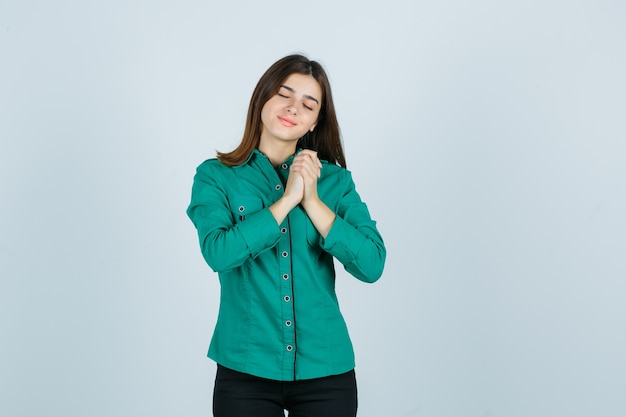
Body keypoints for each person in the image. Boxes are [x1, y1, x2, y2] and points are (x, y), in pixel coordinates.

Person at [186, 53, 386, 417]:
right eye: (284, 94)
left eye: (308, 105)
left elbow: (372, 264)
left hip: (326, 370)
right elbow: (219, 253)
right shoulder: (216, 176)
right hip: (246, 370)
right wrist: (288, 200)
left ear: (314, 121)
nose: (294, 108)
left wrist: (313, 201)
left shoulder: (336, 183)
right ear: (263, 97)